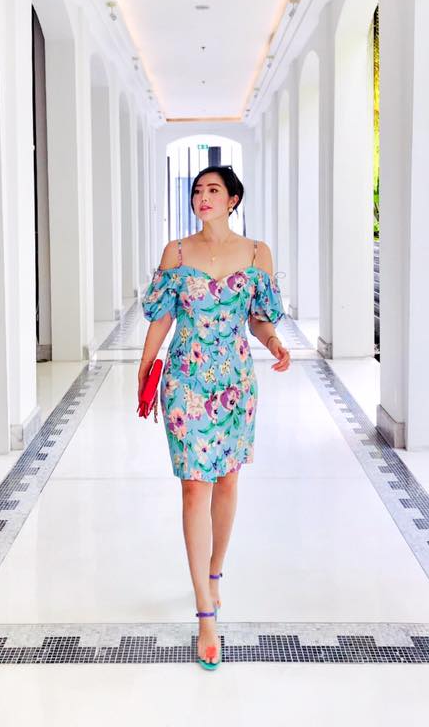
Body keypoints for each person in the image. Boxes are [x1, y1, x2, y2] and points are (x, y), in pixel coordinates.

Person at [138, 165, 291, 670]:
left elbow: (258, 317)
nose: (203, 197)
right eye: (197, 191)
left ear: (233, 199)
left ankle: (215, 570)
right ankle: (205, 613)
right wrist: (145, 367)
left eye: (213, 190)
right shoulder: (177, 253)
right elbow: (162, 316)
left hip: (235, 384)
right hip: (185, 380)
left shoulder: (257, 253)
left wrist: (274, 342)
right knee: (193, 487)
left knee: (227, 480)